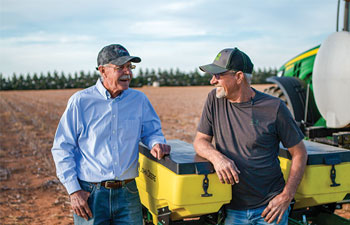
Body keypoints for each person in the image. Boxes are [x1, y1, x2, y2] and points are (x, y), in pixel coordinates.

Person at [51, 44, 170, 225]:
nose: (127, 72)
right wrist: (74, 191)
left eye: (129, 67)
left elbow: (152, 132)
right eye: (120, 68)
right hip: (91, 193)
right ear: (102, 71)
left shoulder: (139, 100)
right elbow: (62, 147)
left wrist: (156, 143)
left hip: (128, 192)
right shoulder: (81, 102)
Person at [193, 47, 307, 225]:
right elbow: (200, 141)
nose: (212, 81)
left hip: (270, 209)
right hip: (232, 208)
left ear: (239, 77)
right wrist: (218, 158)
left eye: (218, 75)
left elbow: (299, 152)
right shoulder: (214, 100)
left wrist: (287, 196)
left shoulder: (274, 107)